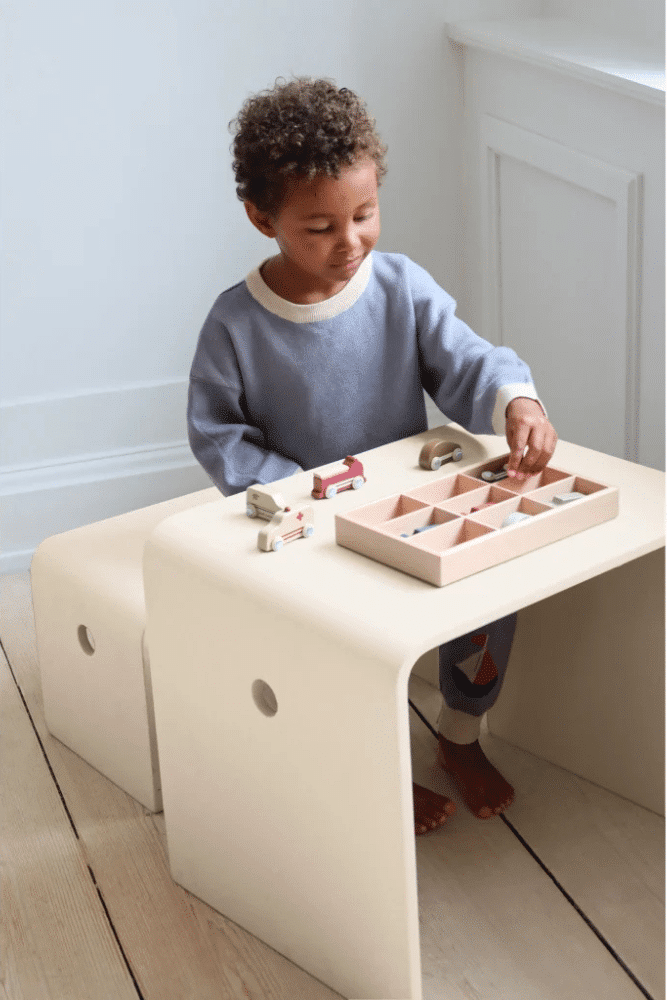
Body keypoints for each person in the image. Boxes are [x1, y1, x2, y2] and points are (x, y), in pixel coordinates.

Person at [187, 77, 558, 835]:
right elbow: (218, 433)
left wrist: (516, 401)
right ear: (262, 218)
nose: (350, 241)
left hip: (410, 512)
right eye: (319, 227)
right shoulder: (235, 325)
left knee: (486, 599)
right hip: (312, 531)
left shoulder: (399, 286)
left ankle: (460, 735)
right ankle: (370, 768)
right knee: (335, 646)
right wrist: (294, 491)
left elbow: (467, 360)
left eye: (364, 215)